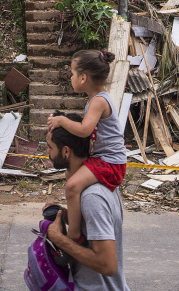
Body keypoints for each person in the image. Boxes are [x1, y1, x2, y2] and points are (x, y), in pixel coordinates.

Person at [45, 50, 127, 242]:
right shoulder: (95, 100)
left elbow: (84, 130)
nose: (70, 78)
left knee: (72, 186)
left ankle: (74, 234)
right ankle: (79, 217)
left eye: (72, 74)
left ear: (83, 77)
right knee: (69, 175)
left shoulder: (98, 101)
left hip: (110, 163)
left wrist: (61, 121)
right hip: (104, 159)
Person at [45, 114, 131, 291]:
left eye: (50, 147)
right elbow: (92, 224)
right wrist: (62, 214)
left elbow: (108, 265)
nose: (47, 153)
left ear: (66, 151)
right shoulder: (95, 183)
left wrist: (59, 239)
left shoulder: (92, 197)